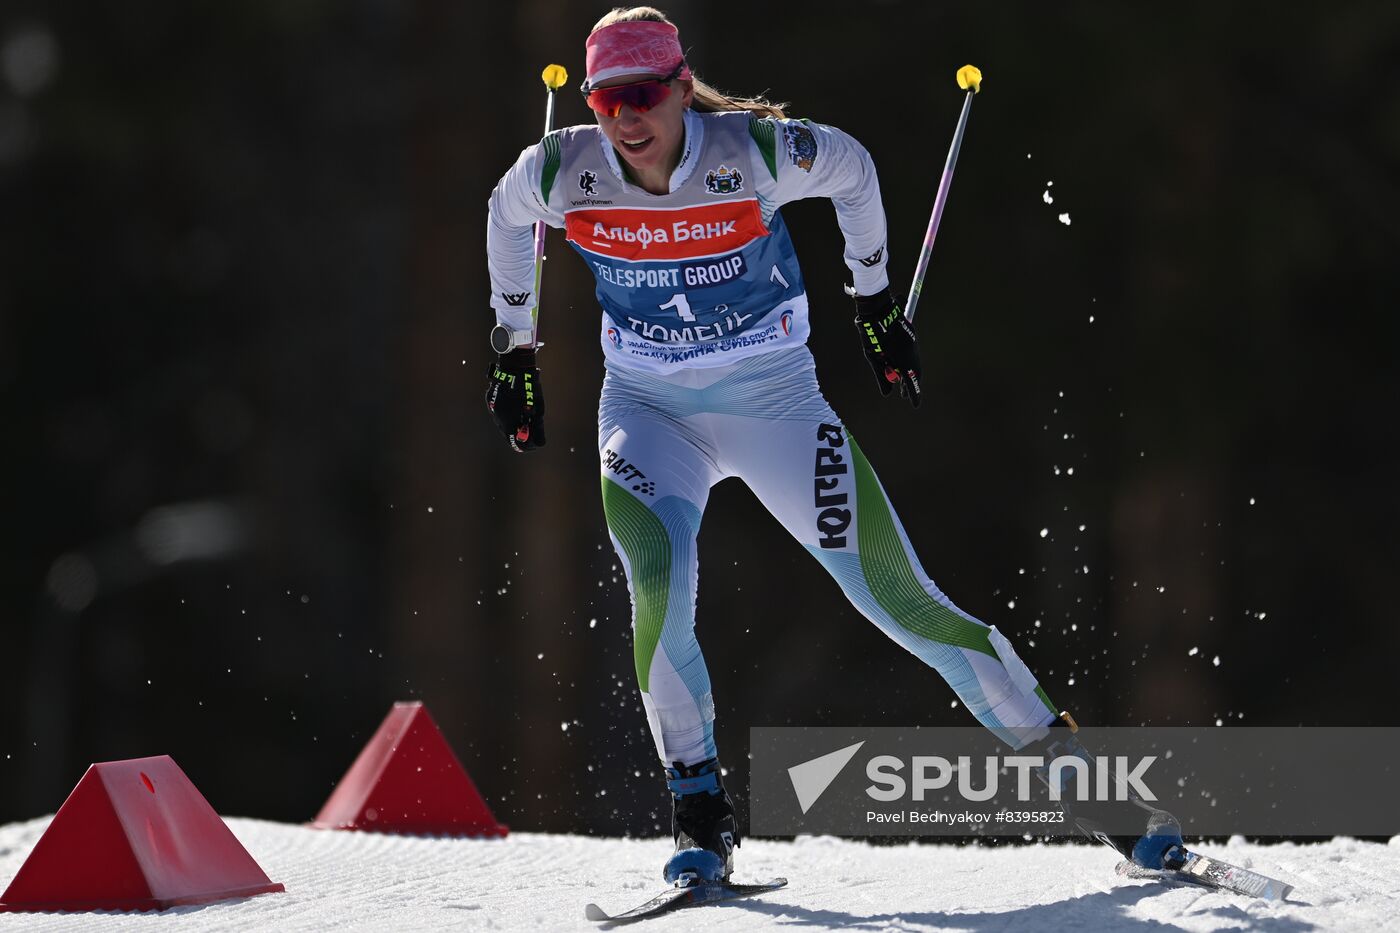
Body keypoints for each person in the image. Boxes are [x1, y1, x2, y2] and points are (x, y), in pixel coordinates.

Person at [486, 6, 1181, 885]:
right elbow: (505, 217)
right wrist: (514, 350)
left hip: (773, 401)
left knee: (904, 602)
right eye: (605, 99)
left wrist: (874, 301)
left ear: (679, 87)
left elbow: (852, 169)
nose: (626, 118)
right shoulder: (563, 169)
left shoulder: (753, 152)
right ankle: (700, 819)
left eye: (644, 94)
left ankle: (1101, 796)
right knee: (658, 589)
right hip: (648, 409)